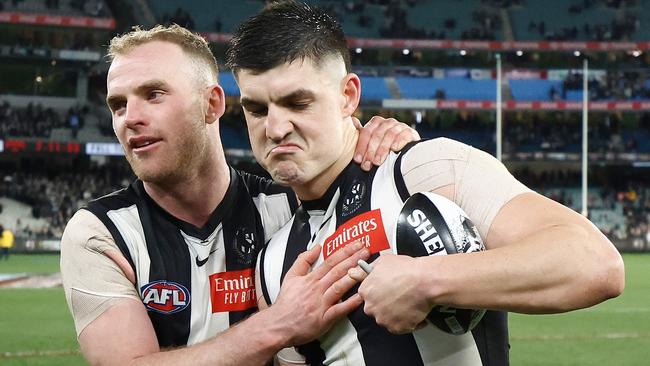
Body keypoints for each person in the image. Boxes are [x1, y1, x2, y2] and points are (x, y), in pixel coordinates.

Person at [226, 1, 625, 365]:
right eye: (257, 109)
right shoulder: (272, 263)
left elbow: (594, 263)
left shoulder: (424, 170)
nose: (275, 128)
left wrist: (427, 281)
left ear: (348, 96)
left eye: (298, 103)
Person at [59, 24, 421, 365]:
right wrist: (278, 325)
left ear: (212, 104)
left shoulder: (289, 207)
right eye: (117, 105)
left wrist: (387, 146)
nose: (129, 118)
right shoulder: (99, 233)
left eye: (153, 94)